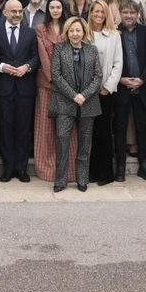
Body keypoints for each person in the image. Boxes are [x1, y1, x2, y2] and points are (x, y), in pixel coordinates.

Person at [50, 16, 102, 192]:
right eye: (71, 30)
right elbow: (56, 76)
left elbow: (98, 77)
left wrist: (84, 95)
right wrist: (74, 95)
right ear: (67, 32)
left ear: (84, 32)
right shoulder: (59, 49)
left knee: (85, 144)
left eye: (78, 30)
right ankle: (60, 180)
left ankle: (82, 179)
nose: (74, 33)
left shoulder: (92, 50)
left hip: (88, 103)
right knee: (62, 142)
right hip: (65, 103)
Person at [0, 0, 37, 183]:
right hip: (3, 88)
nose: (18, 15)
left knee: (22, 129)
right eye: (13, 11)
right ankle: (8, 169)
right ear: (5, 12)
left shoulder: (30, 33)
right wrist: (2, 66)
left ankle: (21, 169)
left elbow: (36, 57)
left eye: (20, 11)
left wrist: (27, 67)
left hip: (24, 88)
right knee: (5, 129)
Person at [113, 0, 146, 182]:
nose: (129, 15)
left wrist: (142, 79)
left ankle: (143, 165)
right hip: (121, 86)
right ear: (120, 14)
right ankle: (120, 166)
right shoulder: (114, 33)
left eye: (132, 12)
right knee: (120, 126)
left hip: (142, 87)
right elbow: (111, 59)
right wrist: (120, 78)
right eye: (125, 12)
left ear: (138, 14)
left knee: (143, 126)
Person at [33, 0, 71, 182]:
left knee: (67, 128)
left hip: (69, 86)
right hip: (46, 84)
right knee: (45, 128)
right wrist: (55, 79)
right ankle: (47, 169)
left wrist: (64, 81)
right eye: (52, 7)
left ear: (63, 9)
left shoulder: (70, 26)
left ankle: (68, 169)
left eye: (58, 7)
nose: (55, 10)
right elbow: (43, 56)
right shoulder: (41, 28)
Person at [86, 1, 124, 186]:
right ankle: (91, 172)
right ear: (91, 13)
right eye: (96, 11)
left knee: (104, 132)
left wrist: (108, 87)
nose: (99, 15)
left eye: (102, 12)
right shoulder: (84, 34)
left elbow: (118, 63)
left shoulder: (114, 35)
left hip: (104, 92)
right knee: (88, 133)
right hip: (86, 93)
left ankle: (105, 173)